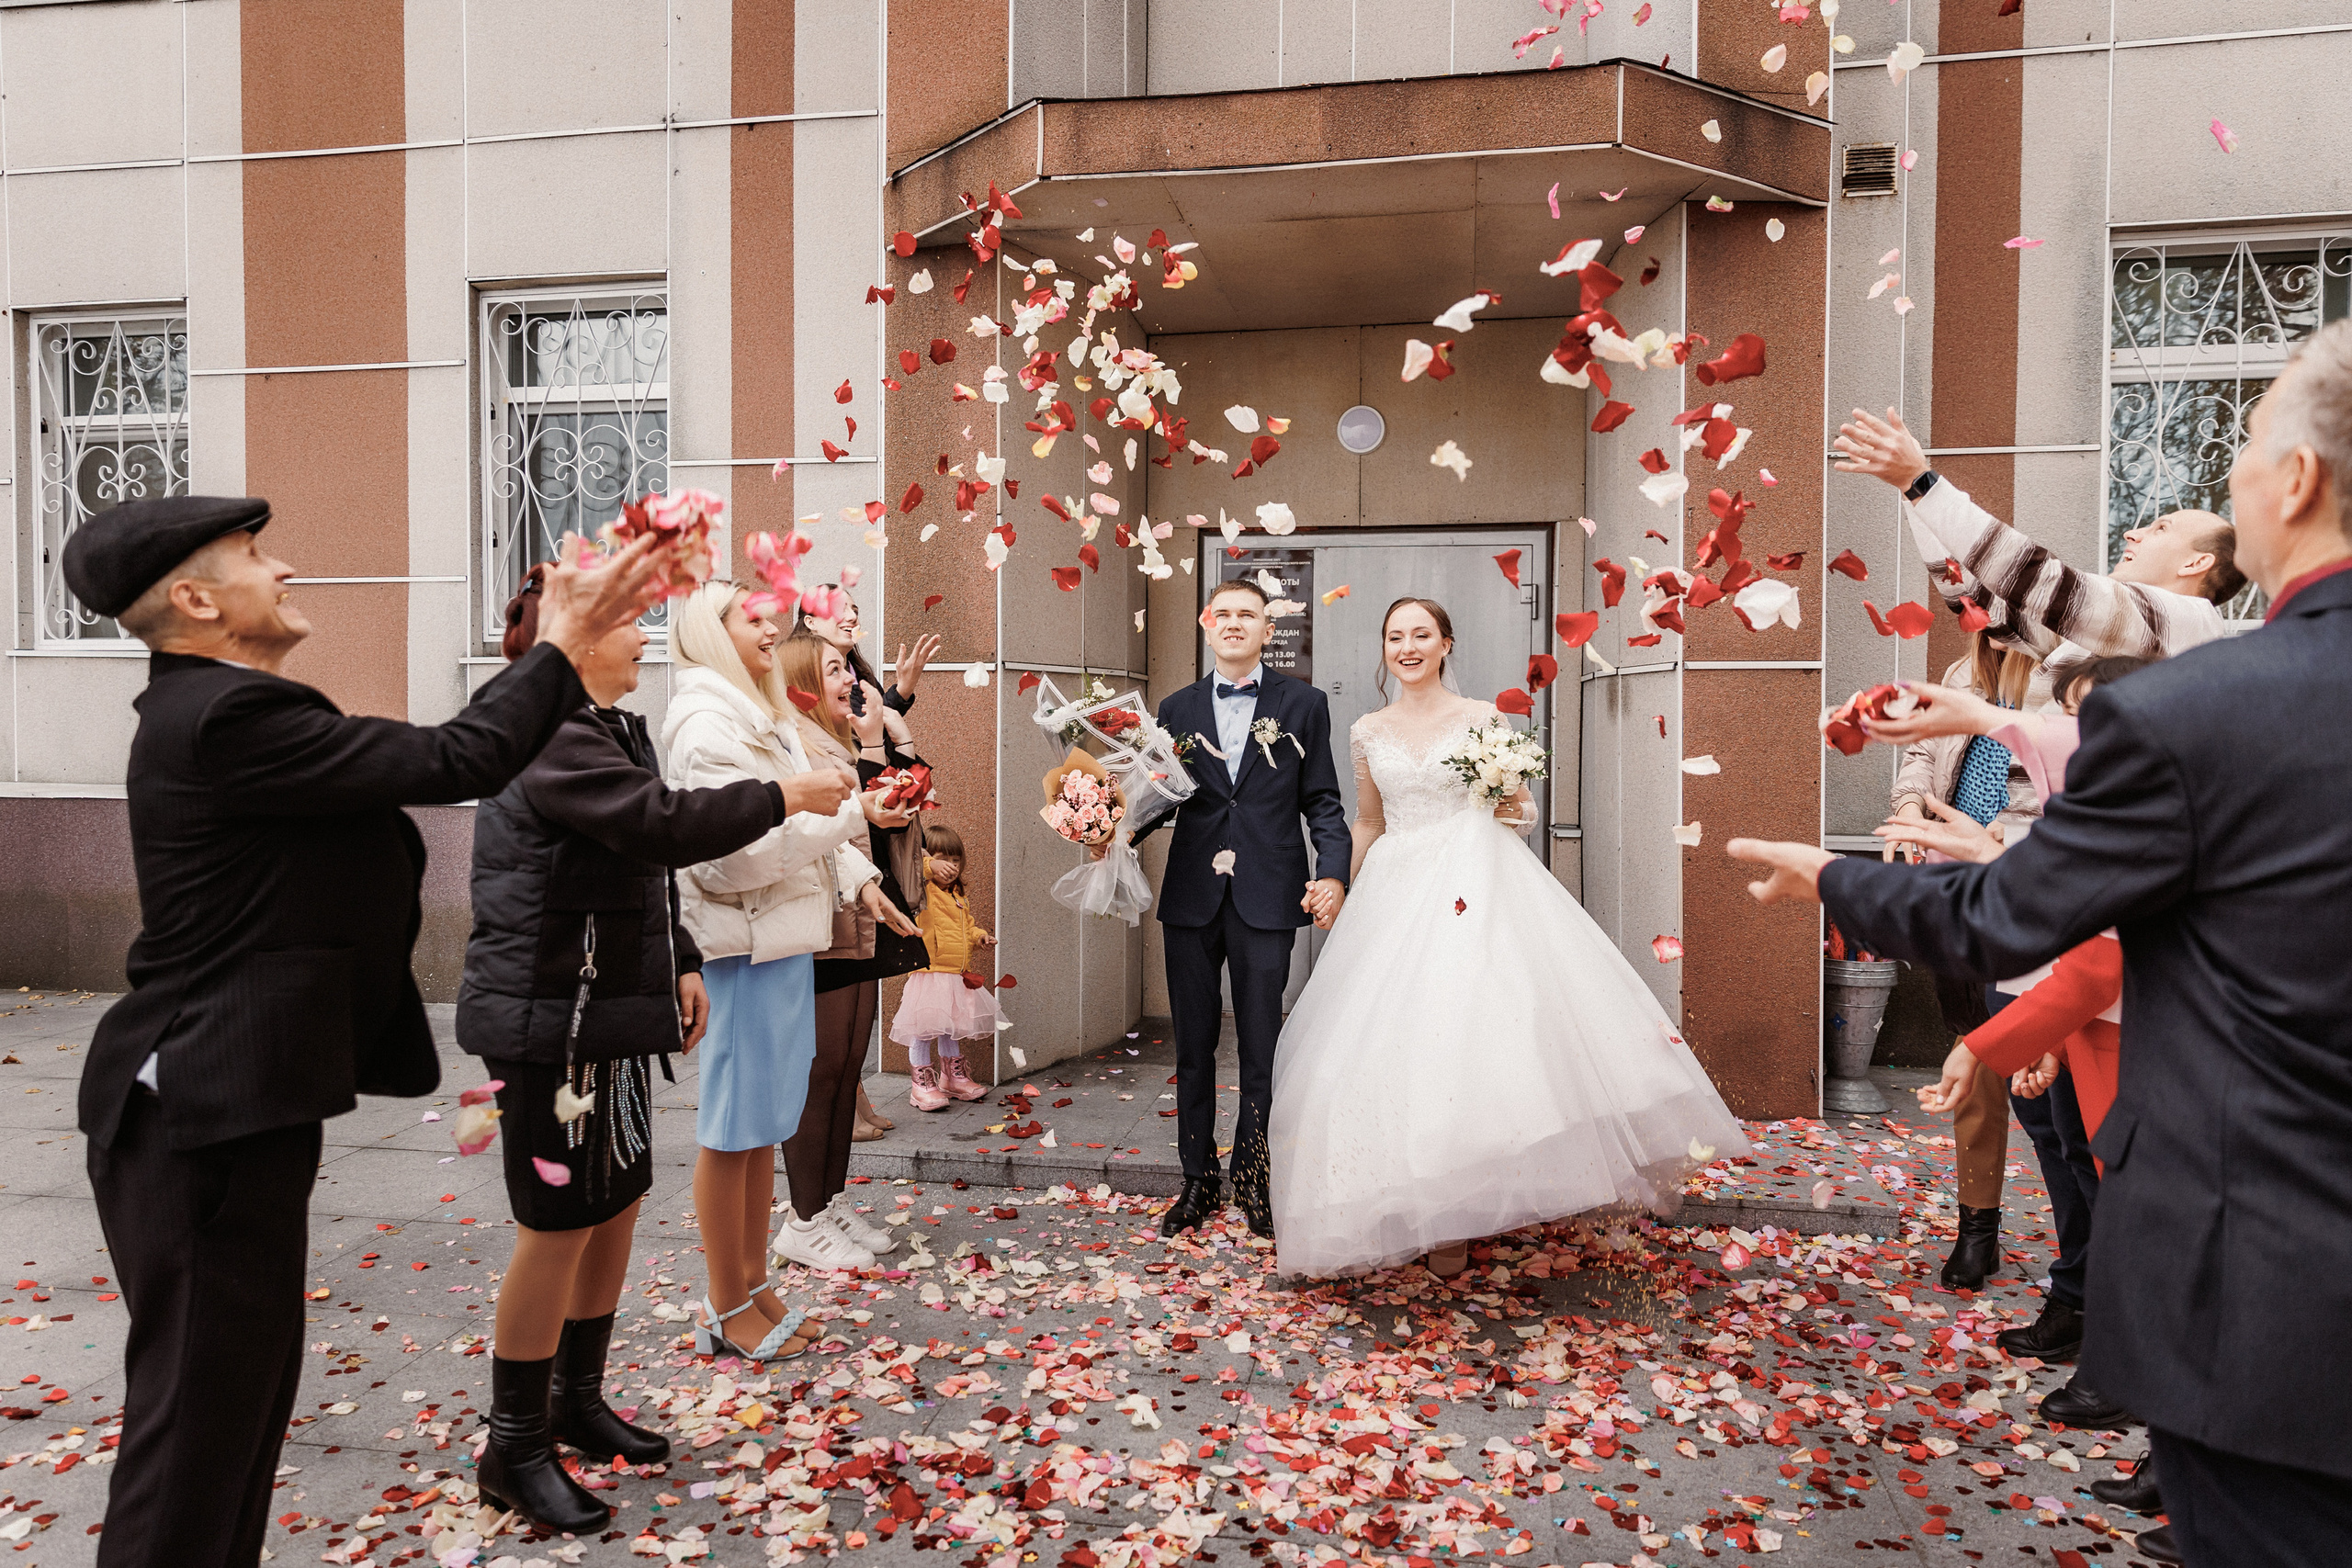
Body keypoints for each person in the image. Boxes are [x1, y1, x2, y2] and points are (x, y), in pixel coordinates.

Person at [1732, 319, 2352, 1568]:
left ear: (2295, 483)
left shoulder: (2210, 698)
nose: (2230, 484)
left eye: (2238, 451)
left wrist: (1836, 877)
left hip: (2279, 1292)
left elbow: (2011, 907)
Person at [63, 496, 677, 1568]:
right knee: (198, 1430)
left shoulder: (231, 711)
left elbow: (445, 759)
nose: (285, 568)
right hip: (200, 1112)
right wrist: (568, 642)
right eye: (257, 556)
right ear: (198, 600)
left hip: (236, 1104)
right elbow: (457, 760)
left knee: (236, 1415)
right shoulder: (222, 718)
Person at [457, 569, 837, 1530]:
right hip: (551, 1015)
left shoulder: (612, 728)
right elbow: (660, 826)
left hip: (612, 1008)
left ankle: (575, 1400)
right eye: (627, 624)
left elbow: (639, 866)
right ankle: (514, 1441)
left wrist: (677, 958)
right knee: (556, 1220)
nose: (644, 638)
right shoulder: (541, 727)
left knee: (616, 1202)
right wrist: (786, 793)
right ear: (572, 639)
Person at [1266, 597, 1750, 1279]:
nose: (1407, 646)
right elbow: (1370, 821)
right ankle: (1424, 1204)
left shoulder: (1483, 719)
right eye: (1395, 635)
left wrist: (1505, 802)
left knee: (1481, 1040)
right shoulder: (1367, 728)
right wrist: (1342, 887)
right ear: (1384, 648)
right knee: (1402, 1044)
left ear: (1445, 643)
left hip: (1476, 884)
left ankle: (1466, 1210)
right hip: (1398, 892)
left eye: (1421, 635)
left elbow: (1519, 809)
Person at [662, 581, 895, 1349]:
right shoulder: (705, 720)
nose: (769, 628)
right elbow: (731, 862)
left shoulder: (758, 710)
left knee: (762, 1127)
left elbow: (809, 829)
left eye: (768, 617)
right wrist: (853, 816)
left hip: (782, 941)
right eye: (750, 617)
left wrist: (857, 863)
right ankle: (727, 1306)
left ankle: (755, 1288)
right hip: (742, 948)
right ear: (709, 629)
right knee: (732, 1130)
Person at [1125, 577, 1351, 1240]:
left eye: (1246, 615)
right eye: (1222, 613)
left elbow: (1325, 803)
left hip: (1269, 895)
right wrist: (1107, 827)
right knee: (1192, 1047)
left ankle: (1255, 1181)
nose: (1233, 623)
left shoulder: (1304, 704)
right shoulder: (1174, 706)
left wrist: (1333, 874)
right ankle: (1197, 1182)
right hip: (1192, 897)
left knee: (1261, 1049)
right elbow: (1153, 795)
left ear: (1265, 628)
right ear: (1205, 622)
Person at [1882, 633, 2051, 1293]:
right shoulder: (1961, 669)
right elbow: (1923, 753)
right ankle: (1977, 1228)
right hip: (1953, 882)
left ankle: (2087, 1235)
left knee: (2038, 1057)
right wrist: (1906, 807)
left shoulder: (2063, 674)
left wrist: (2005, 835)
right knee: (1972, 1042)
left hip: (2023, 880)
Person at [1835, 406, 2246, 657]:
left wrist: (1925, 483)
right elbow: (1977, 605)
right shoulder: (2117, 632)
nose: (2132, 534)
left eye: (2161, 528)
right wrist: (1912, 489)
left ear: (2197, 562)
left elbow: (2039, 580)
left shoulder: (2191, 622)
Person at [782, 630, 921, 1268]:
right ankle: (802, 1218)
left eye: (847, 667)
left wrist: (874, 738)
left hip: (858, 916)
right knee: (821, 1074)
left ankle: (827, 1201)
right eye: (832, 669)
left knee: (845, 1071)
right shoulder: (798, 744)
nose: (848, 678)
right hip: (822, 925)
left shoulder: (833, 738)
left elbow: (878, 804)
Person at [799, 590, 941, 1138]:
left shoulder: (856, 670)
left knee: (865, 982)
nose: (854, 615)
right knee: (843, 986)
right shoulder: (806, 677)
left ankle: (852, 1096)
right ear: (808, 620)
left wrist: (900, 693)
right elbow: (857, 745)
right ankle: (844, 1100)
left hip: (871, 836)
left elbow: (871, 731)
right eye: (841, 608)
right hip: (842, 837)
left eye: (858, 606)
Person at [888, 821, 1008, 1110]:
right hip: (929, 971)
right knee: (923, 1029)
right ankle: (921, 1084)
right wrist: (930, 865)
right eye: (944, 860)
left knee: (948, 1027)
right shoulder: (923, 887)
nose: (951, 866)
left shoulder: (957, 895)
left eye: (956, 860)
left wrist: (980, 937)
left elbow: (967, 927)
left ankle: (952, 1079)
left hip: (954, 973)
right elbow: (912, 864)